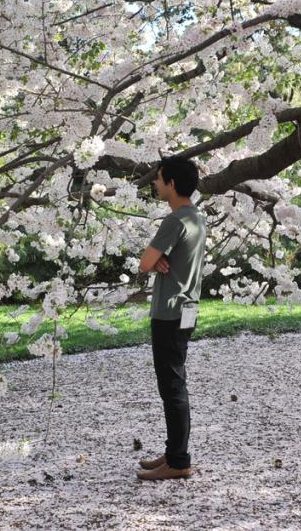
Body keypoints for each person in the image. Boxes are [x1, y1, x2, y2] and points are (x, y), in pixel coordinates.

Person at [134, 156, 208, 481]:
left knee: (173, 387)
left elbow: (144, 262)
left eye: (159, 178)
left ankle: (179, 461)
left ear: (172, 184)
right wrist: (160, 258)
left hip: (169, 312)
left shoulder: (174, 221)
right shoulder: (196, 217)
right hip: (187, 310)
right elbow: (157, 260)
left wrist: (157, 258)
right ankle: (173, 451)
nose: (155, 183)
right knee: (175, 383)